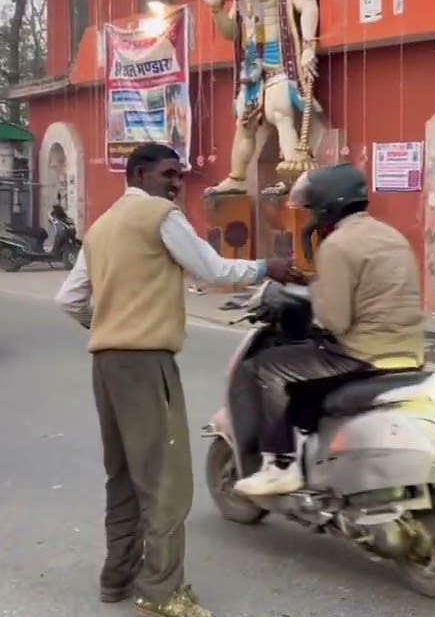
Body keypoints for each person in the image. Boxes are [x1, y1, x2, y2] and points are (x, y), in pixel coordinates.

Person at [55, 142, 299, 617]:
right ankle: (163, 592)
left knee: (123, 473)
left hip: (107, 364)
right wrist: (266, 267)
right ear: (141, 173)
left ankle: (117, 577)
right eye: (169, 173)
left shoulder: (101, 227)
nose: (176, 183)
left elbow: (70, 298)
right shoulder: (160, 216)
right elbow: (211, 269)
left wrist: (105, 324)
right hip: (147, 362)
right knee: (165, 478)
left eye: (180, 175)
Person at [231, 163, 425, 498]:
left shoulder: (338, 245)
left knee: (264, 369)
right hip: (409, 351)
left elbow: (335, 321)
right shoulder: (391, 236)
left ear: (327, 205)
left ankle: (280, 466)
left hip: (362, 353)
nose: (308, 217)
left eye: (310, 208)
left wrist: (311, 298)